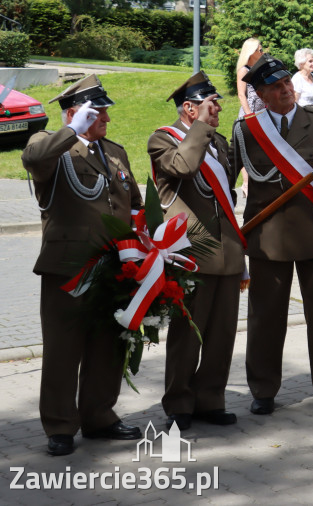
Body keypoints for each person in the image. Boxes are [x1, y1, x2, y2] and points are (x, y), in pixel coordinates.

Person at [231, 55, 313, 420]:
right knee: (265, 319)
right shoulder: (246, 131)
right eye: (276, 87)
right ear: (260, 94)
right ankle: (263, 389)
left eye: (287, 83)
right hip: (268, 238)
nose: (286, 90)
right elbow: (225, 181)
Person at [22, 75, 144, 456]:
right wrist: (71, 131)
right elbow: (34, 161)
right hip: (69, 266)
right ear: (75, 113)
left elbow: (134, 203)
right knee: (63, 348)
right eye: (97, 111)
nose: (106, 117)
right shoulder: (49, 146)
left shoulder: (114, 152)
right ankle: (60, 425)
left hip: (113, 266)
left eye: (105, 110)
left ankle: (99, 416)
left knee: (108, 346)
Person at [149, 72, 244, 432]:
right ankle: (179, 401)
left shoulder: (216, 140)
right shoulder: (162, 139)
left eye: (217, 102)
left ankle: (210, 399)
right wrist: (200, 129)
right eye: (210, 103)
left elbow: (228, 190)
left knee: (222, 335)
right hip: (191, 252)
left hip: (227, 251)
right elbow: (184, 167)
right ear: (189, 108)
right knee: (188, 336)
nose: (217, 108)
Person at [236, 37, 265, 119]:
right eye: (261, 50)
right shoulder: (243, 70)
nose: (263, 53)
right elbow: (241, 94)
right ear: (252, 52)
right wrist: (249, 115)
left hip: (262, 111)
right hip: (251, 111)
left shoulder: (260, 68)